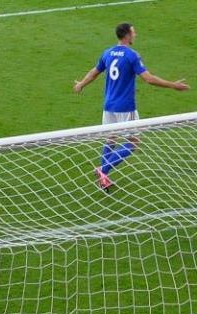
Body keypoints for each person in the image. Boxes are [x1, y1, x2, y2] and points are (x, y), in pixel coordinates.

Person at [73, 23, 189, 191]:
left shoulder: (108, 52)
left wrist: (81, 84)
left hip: (108, 105)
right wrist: (173, 85)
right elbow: (148, 79)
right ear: (127, 35)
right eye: (133, 32)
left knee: (111, 138)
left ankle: (104, 178)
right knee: (133, 142)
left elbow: (94, 72)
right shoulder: (132, 55)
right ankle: (103, 170)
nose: (135, 35)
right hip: (126, 107)